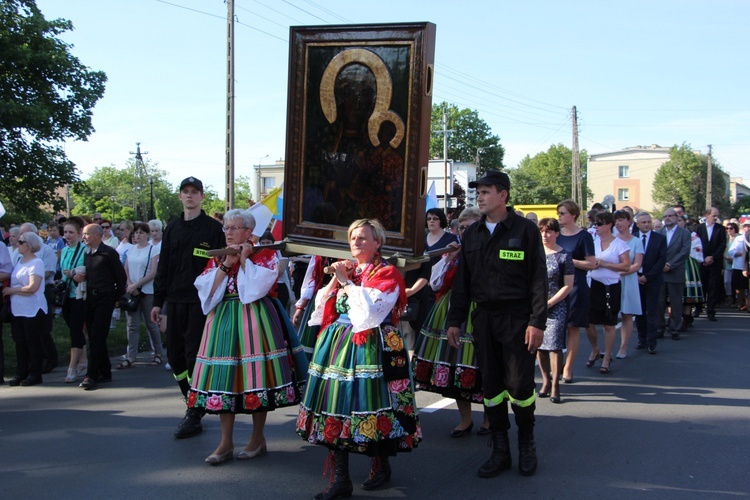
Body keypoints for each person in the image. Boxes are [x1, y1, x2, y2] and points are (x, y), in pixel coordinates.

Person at [297, 219, 420, 499]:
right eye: (353, 238)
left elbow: (368, 314)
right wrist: (335, 280)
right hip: (338, 344)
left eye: (363, 238)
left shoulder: (388, 273)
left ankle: (381, 463)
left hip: (372, 345)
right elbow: (322, 307)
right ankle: (341, 478)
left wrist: (345, 281)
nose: (356, 243)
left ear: (378, 242)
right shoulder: (349, 270)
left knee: (373, 405)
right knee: (336, 404)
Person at [447, 170, 547, 478]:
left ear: (503, 195)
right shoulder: (472, 233)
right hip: (485, 318)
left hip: (517, 319)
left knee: (519, 385)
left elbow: (538, 280)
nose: (480, 196)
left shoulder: (525, 230)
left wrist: (536, 322)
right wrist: (455, 319)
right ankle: (500, 450)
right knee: (491, 386)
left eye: (486, 191)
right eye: (479, 192)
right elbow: (463, 281)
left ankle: (526, 445)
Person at [187, 209, 308, 464]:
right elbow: (205, 291)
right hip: (222, 321)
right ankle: (225, 442)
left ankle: (256, 438)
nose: (228, 232)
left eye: (234, 228)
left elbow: (257, 288)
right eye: (226, 228)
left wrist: (244, 260)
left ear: (248, 232)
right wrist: (226, 264)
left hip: (256, 318)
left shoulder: (265, 254)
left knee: (257, 378)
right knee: (225, 380)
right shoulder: (219, 257)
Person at [151, 176, 225, 438]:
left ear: (202, 197)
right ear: (180, 196)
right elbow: (164, 267)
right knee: (175, 357)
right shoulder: (172, 228)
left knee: (194, 355)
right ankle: (191, 399)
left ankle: (194, 411)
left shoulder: (212, 229)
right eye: (186, 192)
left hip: (200, 302)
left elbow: (221, 266)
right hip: (174, 300)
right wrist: (158, 301)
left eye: (195, 192)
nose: (190, 196)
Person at [412, 207, 489, 436]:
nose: (466, 232)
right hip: (451, 309)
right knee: (453, 364)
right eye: (462, 228)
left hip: (479, 310)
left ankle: (489, 419)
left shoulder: (488, 250)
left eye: (471, 227)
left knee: (483, 367)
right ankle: (465, 419)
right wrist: (451, 258)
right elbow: (435, 283)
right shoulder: (454, 252)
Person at [77, 224, 126, 390]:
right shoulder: (86, 253)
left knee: (98, 334)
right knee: (93, 334)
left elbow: (120, 277)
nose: (84, 237)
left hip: (105, 298)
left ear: (97, 235)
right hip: (89, 297)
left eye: (86, 234)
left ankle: (91, 374)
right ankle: (105, 371)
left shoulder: (108, 253)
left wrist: (117, 298)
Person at [556, 200, 595, 383]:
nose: (559, 216)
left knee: (572, 327)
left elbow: (591, 263)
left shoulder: (584, 236)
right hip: (556, 285)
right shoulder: (556, 235)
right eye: (559, 213)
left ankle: (568, 368)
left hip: (576, 285)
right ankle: (555, 368)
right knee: (555, 329)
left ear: (573, 215)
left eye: (562, 213)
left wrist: (569, 260)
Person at [585, 212, 629, 374]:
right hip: (594, 285)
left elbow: (626, 266)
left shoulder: (620, 244)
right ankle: (595, 349)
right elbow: (588, 260)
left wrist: (605, 264)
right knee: (588, 321)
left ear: (609, 225)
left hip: (611, 287)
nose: (596, 226)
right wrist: (592, 264)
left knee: (609, 324)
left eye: (600, 223)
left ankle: (607, 356)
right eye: (595, 224)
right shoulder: (593, 242)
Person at [536, 218, 573, 404]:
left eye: (549, 231)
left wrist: (550, 303)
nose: (545, 235)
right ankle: (545, 380)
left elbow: (568, 286)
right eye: (542, 231)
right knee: (539, 345)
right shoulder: (535, 254)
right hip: (536, 305)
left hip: (556, 305)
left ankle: (556, 385)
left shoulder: (564, 256)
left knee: (554, 345)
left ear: (557, 233)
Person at [3, 232, 47, 386]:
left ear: (28, 244)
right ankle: (21, 372)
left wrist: (11, 291)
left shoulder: (37, 263)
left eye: (21, 241)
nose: (17, 243)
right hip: (17, 309)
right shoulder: (19, 261)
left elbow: (32, 287)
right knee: (19, 342)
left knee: (32, 342)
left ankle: (35, 374)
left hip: (32, 308)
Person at [118, 222, 163, 368]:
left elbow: (153, 272)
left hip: (147, 291)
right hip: (133, 291)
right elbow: (125, 268)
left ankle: (158, 353)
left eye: (141, 233)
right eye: (136, 233)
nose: (138, 235)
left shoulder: (153, 249)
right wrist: (130, 285)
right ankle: (131, 356)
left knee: (151, 324)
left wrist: (137, 285)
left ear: (147, 234)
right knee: (132, 325)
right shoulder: (131, 250)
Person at [19, 223, 58, 374]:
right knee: (30, 331)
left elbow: (48, 271)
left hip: (43, 290)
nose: (21, 240)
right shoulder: (21, 254)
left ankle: (51, 359)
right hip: (25, 294)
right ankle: (36, 359)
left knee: (43, 328)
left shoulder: (46, 250)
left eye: (25, 236)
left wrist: (33, 278)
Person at [59, 218, 88, 383]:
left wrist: (72, 274)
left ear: (78, 233)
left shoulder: (84, 250)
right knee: (74, 328)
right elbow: (64, 272)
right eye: (65, 232)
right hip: (66, 294)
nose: (68, 235)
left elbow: (82, 274)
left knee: (76, 330)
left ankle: (72, 366)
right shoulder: (64, 251)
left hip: (79, 295)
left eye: (71, 232)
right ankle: (83, 360)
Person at [634, 212, 667, 354]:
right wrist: (636, 275)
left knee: (652, 311)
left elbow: (661, 260)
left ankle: (651, 342)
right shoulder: (633, 238)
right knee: (639, 311)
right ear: (637, 224)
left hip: (653, 280)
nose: (647, 224)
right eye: (643, 222)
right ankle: (642, 339)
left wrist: (647, 276)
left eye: (648, 222)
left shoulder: (660, 239)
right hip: (636, 279)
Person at [657, 208, 692, 339]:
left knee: (676, 302)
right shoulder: (659, 233)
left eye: (670, 216)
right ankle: (659, 327)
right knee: (659, 302)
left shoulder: (684, 233)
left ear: (676, 217)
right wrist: (662, 265)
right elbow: (655, 251)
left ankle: (675, 328)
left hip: (676, 272)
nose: (667, 218)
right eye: (665, 216)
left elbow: (685, 252)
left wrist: (670, 264)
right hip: (660, 273)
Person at [614, 210, 643, 359]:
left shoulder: (636, 241)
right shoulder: (612, 240)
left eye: (621, 220)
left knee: (627, 314)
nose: (618, 223)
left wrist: (621, 272)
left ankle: (623, 347)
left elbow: (637, 265)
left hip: (628, 279)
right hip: (612, 280)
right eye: (616, 220)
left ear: (629, 222)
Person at [695, 207, 726, 321]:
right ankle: (698, 308)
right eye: (713, 215)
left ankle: (711, 311)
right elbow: (695, 245)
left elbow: (722, 245)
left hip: (714, 263)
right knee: (701, 286)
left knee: (713, 287)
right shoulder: (699, 228)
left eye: (717, 215)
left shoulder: (720, 229)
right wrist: (703, 258)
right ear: (707, 215)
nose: (715, 218)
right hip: (702, 262)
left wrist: (712, 257)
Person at [727, 222, 748, 311]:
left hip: (748, 266)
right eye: (745, 227)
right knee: (738, 287)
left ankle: (748, 304)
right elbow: (731, 251)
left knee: (747, 286)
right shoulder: (739, 238)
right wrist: (738, 253)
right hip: (738, 266)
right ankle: (740, 303)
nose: (747, 229)